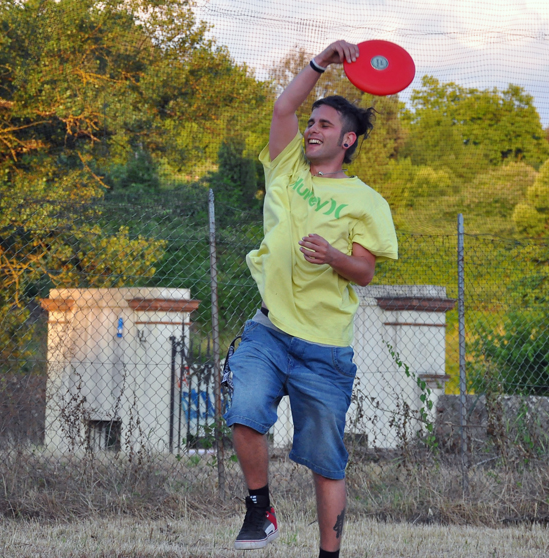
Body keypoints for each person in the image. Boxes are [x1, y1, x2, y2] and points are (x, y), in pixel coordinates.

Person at [224, 40, 398, 558]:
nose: (312, 129)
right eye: (312, 122)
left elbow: (365, 272)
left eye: (325, 124)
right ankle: (260, 509)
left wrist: (332, 256)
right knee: (244, 409)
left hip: (324, 349)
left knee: (326, 462)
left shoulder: (368, 202)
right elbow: (284, 108)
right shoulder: (287, 169)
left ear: (347, 139)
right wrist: (321, 61)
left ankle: (328, 555)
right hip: (269, 329)